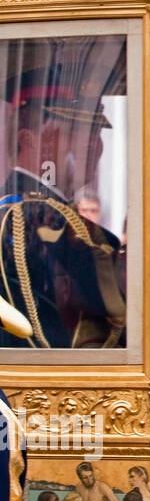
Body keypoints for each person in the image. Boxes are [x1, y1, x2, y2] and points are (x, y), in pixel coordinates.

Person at [0, 72, 126, 349]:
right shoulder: (26, 220)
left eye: (96, 133)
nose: (94, 145)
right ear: (31, 141)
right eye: (74, 133)